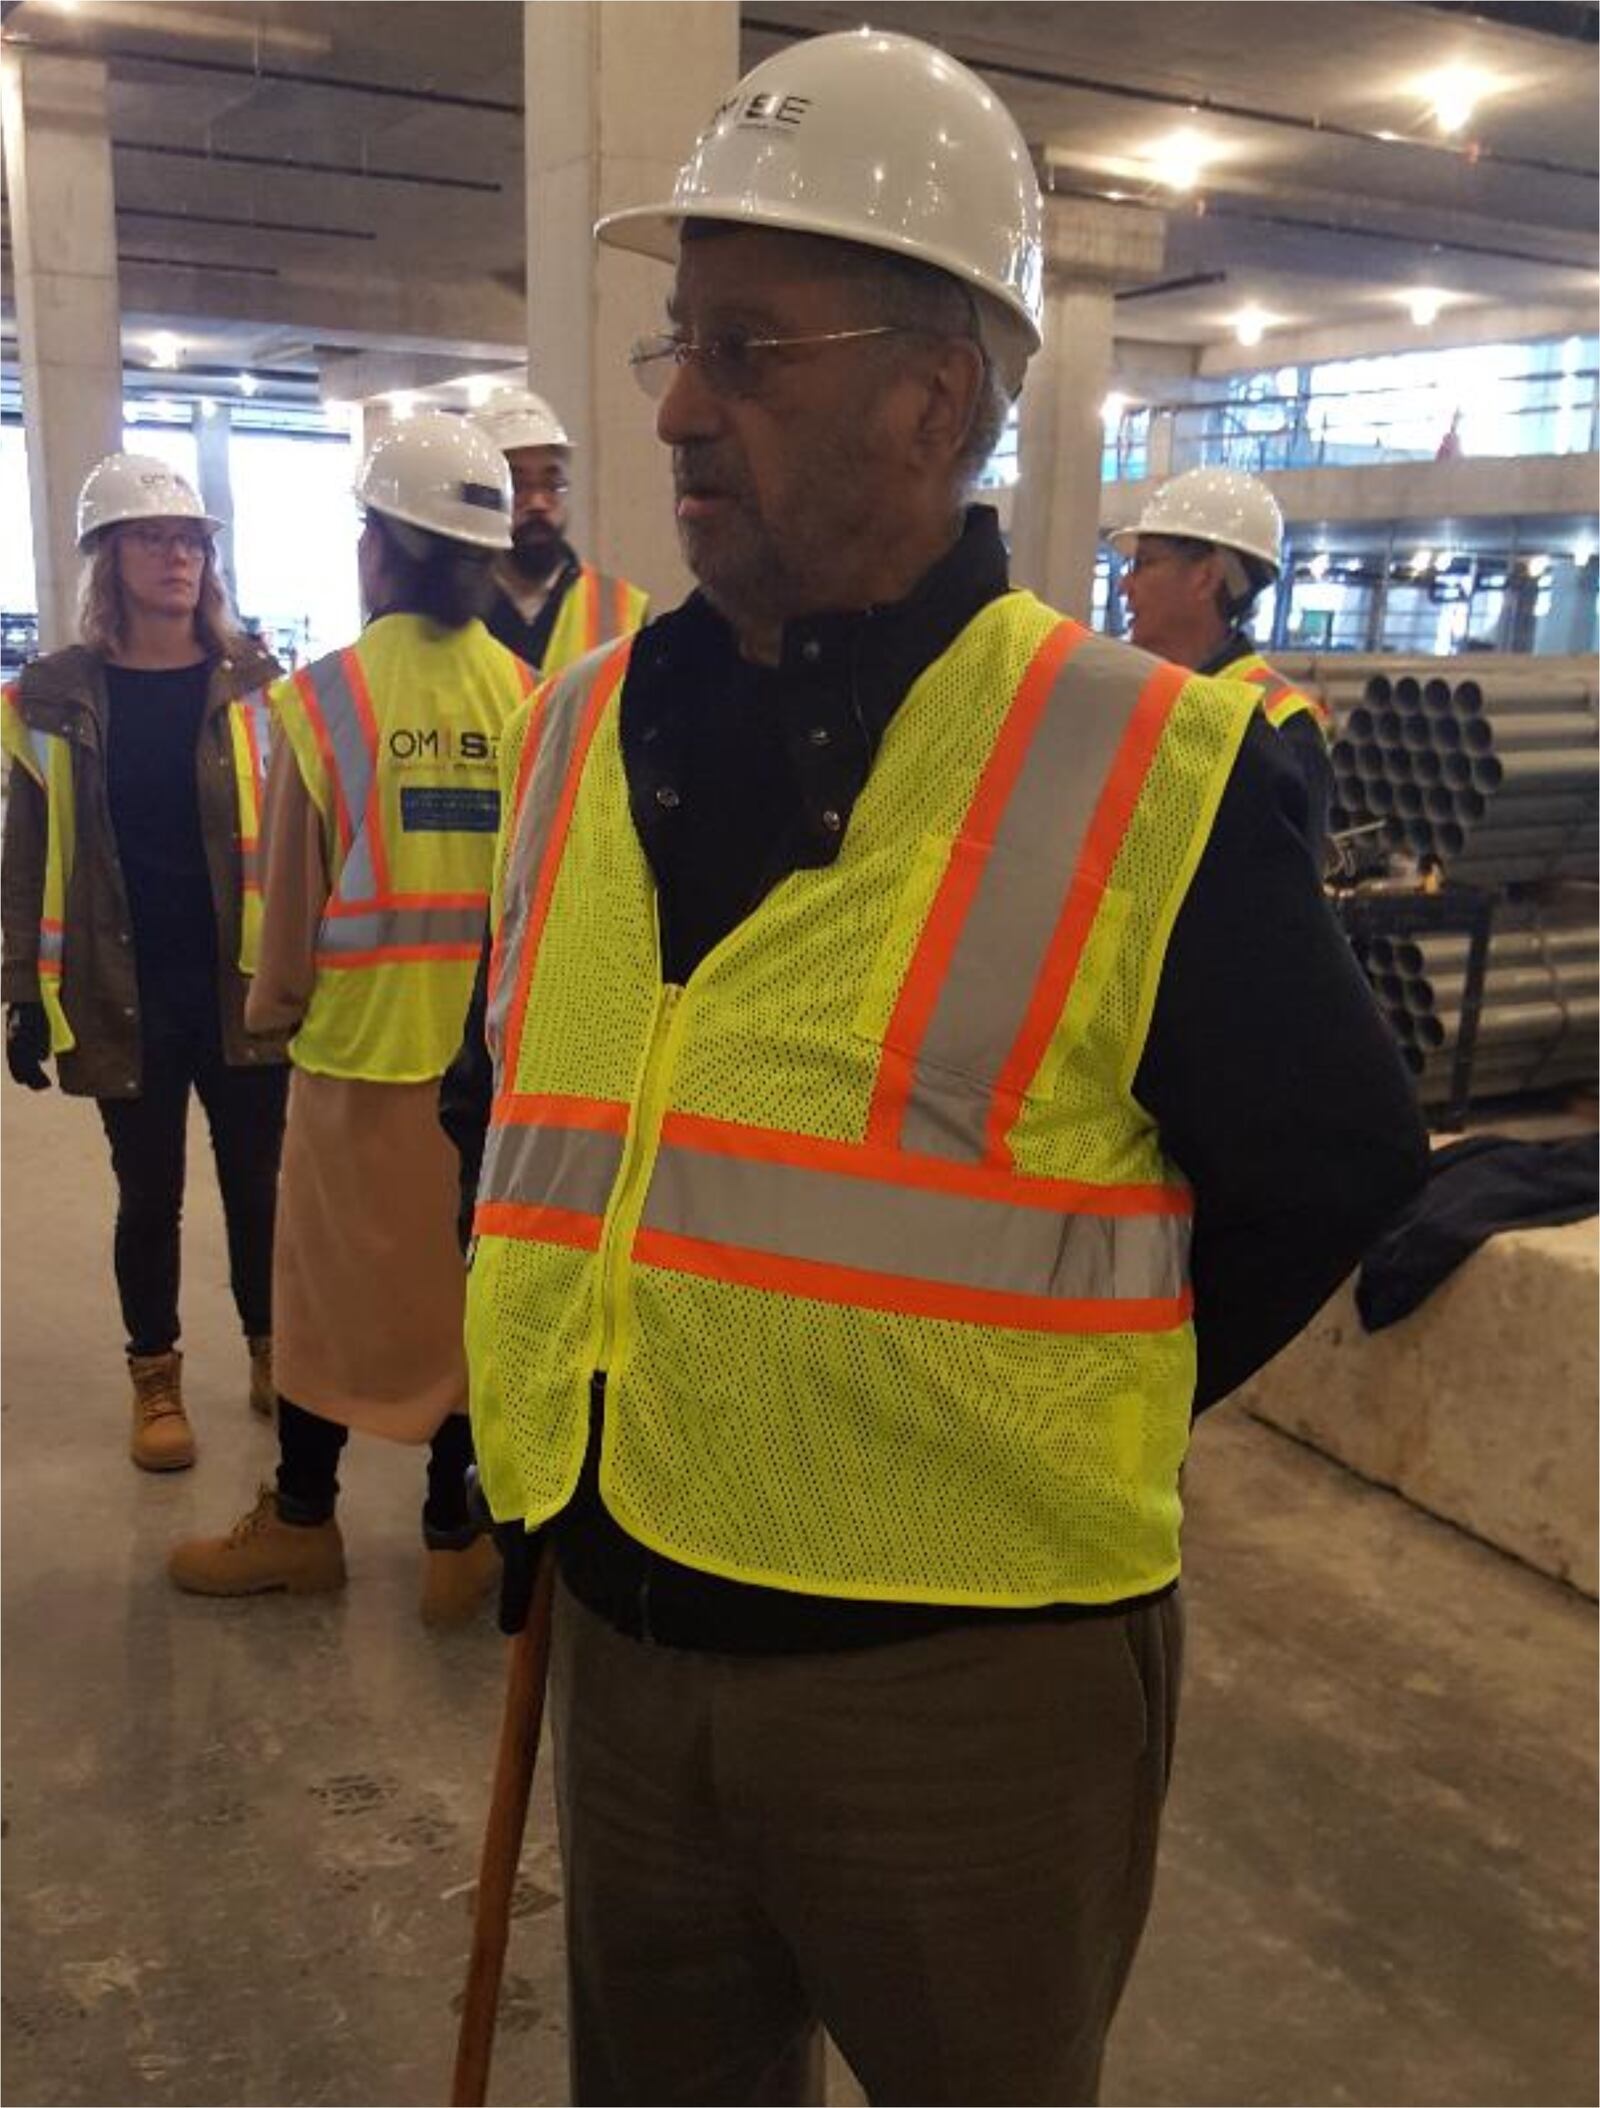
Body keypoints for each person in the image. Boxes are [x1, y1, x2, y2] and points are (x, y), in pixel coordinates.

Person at [447, 29, 1428, 2105]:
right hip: (619, 1633)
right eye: (673, 346)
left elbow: (1332, 1157)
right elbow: (518, 1103)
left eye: (746, 346)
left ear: (936, 387)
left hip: (961, 1682)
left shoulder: (1136, 759)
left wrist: (1027, 1392)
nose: (683, 408)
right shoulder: (577, 725)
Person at [168, 413, 535, 1625]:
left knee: (322, 1306)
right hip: (494, 1068)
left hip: (359, 1055)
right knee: (466, 1306)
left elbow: (289, 903)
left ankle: (304, 1522)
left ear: (377, 549)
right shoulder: (532, 699)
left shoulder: (324, 703)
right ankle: (451, 1539)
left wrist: (271, 1014)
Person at [1, 453, 288, 1473]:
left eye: (192, 541)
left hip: (242, 982)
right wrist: (20, 993)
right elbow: (27, 848)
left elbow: (295, 836)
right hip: (123, 987)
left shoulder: (254, 682)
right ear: (108, 557)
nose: (179, 557)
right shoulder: (54, 694)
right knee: (150, 1193)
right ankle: (156, 1379)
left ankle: (271, 1352)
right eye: (155, 538)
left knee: (261, 1186)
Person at [1109, 467, 1335, 861]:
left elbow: (1285, 910)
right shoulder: (1146, 695)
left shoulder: (1283, 727)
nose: (1124, 586)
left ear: (1206, 576)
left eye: (1144, 563)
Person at [475, 385, 650, 674]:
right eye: (517, 486)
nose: (538, 502)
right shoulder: (454, 610)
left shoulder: (620, 608)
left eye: (552, 484)